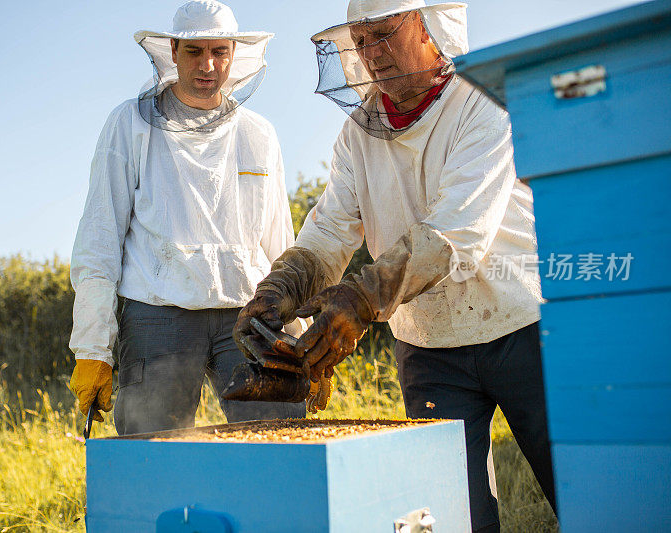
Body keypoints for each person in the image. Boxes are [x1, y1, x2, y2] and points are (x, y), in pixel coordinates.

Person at [234, 1, 556, 531]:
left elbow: (457, 233)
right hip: (429, 349)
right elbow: (329, 233)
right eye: (360, 42)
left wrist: (362, 298)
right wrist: (276, 293)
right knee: (452, 515)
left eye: (384, 34)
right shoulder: (357, 135)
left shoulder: (482, 105)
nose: (371, 55)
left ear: (432, 28)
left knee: (585, 489)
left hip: (520, 324)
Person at [69, 0, 305, 436]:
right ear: (173, 51)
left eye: (219, 51)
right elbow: (99, 239)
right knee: (155, 452)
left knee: (275, 444)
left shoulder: (259, 134)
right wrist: (92, 347)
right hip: (158, 314)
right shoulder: (129, 125)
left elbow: (279, 243)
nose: (208, 65)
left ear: (234, 53)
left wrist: (299, 329)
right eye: (195, 52)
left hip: (249, 313)